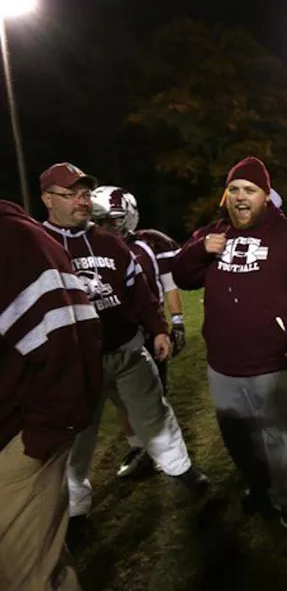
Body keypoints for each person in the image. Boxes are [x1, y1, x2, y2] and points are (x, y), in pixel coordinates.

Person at [39, 162, 208, 519]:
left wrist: (159, 328)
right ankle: (75, 507)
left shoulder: (110, 244)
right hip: (76, 361)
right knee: (77, 436)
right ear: (47, 199)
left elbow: (141, 294)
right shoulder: (36, 244)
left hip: (127, 347)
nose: (81, 201)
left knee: (154, 414)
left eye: (84, 194)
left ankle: (180, 469)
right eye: (70, 195)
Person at [172, 156, 287, 529]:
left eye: (249, 190)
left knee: (283, 438)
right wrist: (199, 250)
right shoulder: (212, 234)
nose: (240, 197)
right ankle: (257, 485)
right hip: (224, 366)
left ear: (266, 196)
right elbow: (182, 277)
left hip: (276, 362)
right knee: (237, 437)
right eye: (233, 189)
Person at [0, 200, 102, 590]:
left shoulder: (12, 239)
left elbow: (69, 344)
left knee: (28, 580)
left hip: (12, 444)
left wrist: (40, 439)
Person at [90, 186, 187, 478]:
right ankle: (138, 445)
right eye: (101, 219)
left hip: (147, 329)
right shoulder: (89, 245)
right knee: (119, 396)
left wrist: (177, 321)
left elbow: (169, 284)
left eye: (114, 219)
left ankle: (160, 448)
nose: (108, 225)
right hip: (110, 333)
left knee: (153, 396)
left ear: (129, 216)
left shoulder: (150, 243)